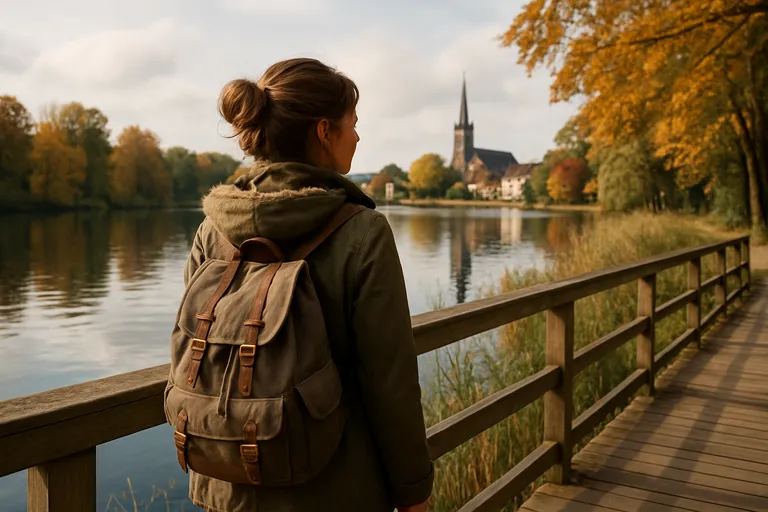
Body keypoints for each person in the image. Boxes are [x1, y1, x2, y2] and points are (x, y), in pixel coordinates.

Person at [182, 57, 434, 512]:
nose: (357, 136)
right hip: (336, 489)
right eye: (352, 124)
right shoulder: (362, 232)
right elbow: (389, 380)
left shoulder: (213, 227)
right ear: (323, 132)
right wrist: (413, 489)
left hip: (225, 485)